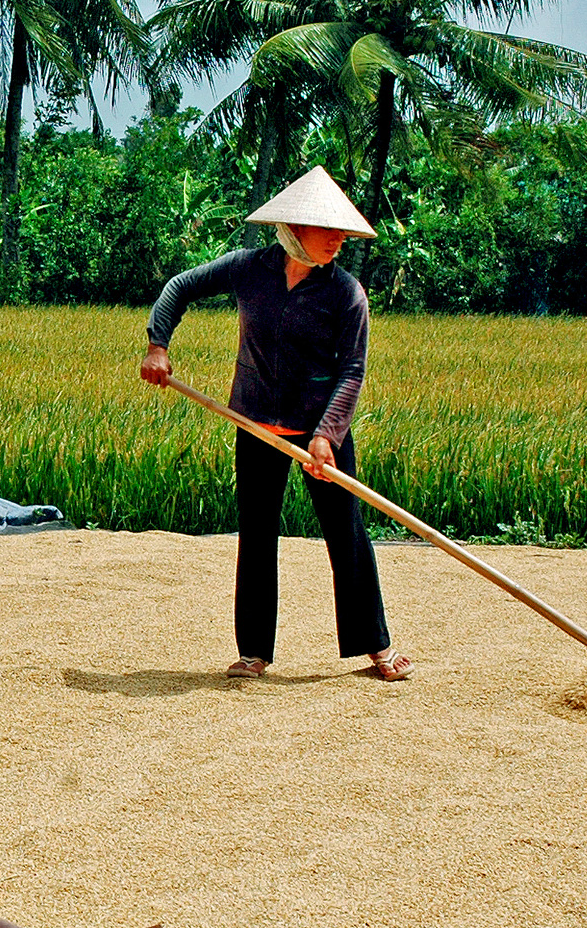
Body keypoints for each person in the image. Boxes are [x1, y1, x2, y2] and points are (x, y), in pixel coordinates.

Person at [139, 165, 411, 682]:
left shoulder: (345, 293)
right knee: (258, 534)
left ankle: (376, 646)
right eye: (326, 229)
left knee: (346, 534)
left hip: (319, 436)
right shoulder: (247, 269)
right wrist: (158, 344)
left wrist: (327, 436)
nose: (336, 240)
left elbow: (352, 370)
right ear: (293, 228)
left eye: (342, 233)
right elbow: (179, 287)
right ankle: (254, 651)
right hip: (257, 425)